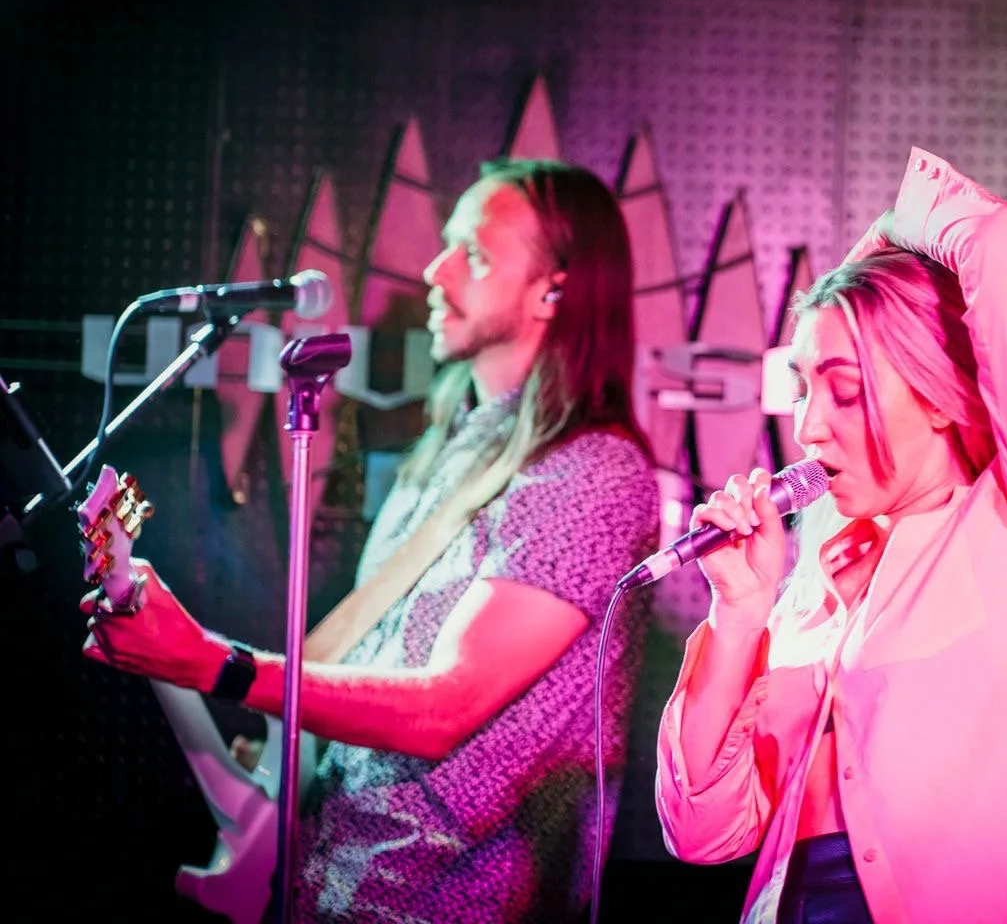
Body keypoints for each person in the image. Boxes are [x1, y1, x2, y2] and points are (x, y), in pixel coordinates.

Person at [83, 158, 661, 922]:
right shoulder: (447, 453)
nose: (435, 268)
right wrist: (292, 760)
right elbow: (374, 665)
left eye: (476, 254)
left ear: (554, 288)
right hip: (334, 887)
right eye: (447, 244)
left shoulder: (593, 474)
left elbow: (442, 708)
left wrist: (213, 664)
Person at [654, 147, 1007, 923]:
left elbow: (1003, 251)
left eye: (846, 388)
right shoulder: (810, 593)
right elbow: (701, 834)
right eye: (800, 386)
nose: (806, 424)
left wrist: (880, 244)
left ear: (935, 394)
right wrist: (738, 615)